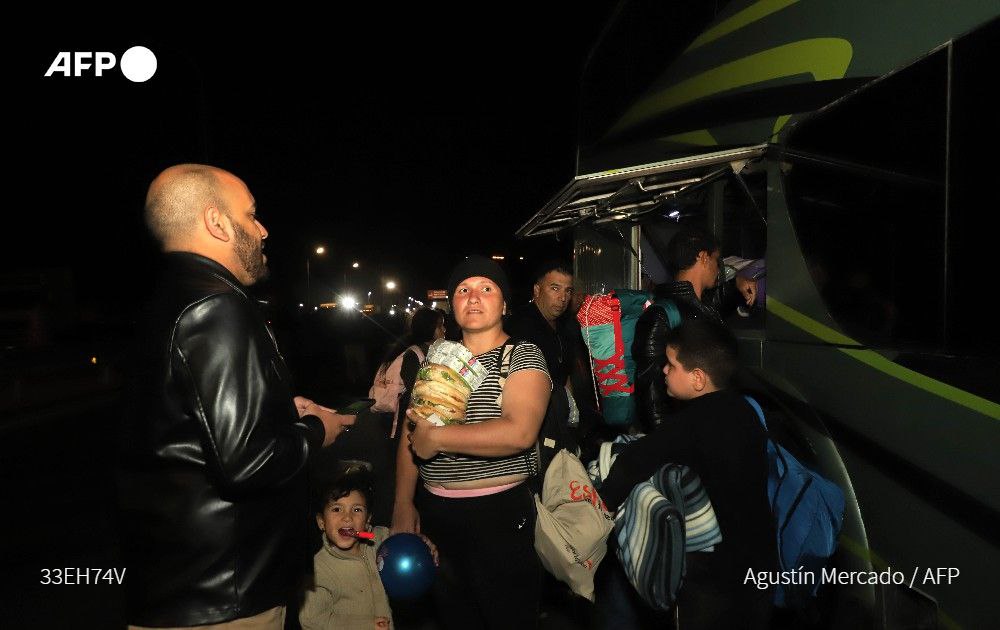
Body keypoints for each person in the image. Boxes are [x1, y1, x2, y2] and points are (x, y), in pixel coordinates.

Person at [118, 164, 356, 629]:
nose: (263, 230)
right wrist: (316, 430)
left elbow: (182, 423)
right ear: (216, 222)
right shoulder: (215, 305)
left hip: (178, 585)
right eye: (251, 215)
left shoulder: (166, 299)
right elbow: (245, 461)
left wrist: (278, 410)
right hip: (224, 593)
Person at [391, 255, 551, 629]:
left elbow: (520, 431)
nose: (473, 297)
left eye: (486, 288)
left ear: (505, 304)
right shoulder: (437, 357)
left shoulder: (521, 354)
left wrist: (439, 438)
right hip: (437, 517)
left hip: (499, 517)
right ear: (451, 304)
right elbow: (410, 434)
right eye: (463, 290)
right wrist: (402, 503)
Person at [597, 319, 776, 629]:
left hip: (713, 578)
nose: (664, 371)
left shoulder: (692, 423)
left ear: (697, 379)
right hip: (760, 565)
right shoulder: (745, 410)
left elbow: (632, 464)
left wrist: (602, 506)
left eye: (671, 365)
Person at [300, 467, 438, 630]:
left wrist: (422, 544)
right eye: (337, 509)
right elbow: (312, 620)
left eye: (357, 509)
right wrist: (366, 625)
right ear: (321, 522)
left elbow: (406, 545)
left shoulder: (379, 539)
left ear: (367, 521)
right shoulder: (318, 570)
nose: (347, 517)